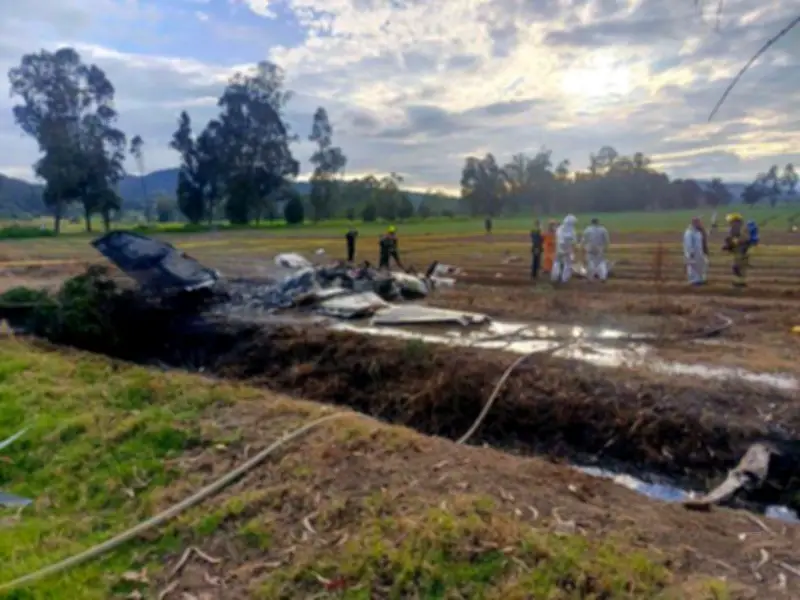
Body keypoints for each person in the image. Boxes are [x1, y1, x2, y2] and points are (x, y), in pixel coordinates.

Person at [722, 213, 752, 287]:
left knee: (739, 268)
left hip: (742, 252)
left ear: (736, 221)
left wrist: (731, 243)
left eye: (731, 222)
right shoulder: (735, 229)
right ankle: (738, 282)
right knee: (737, 268)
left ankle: (740, 283)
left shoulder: (743, 230)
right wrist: (728, 245)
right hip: (737, 252)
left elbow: (743, 240)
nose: (730, 224)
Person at [552, 214, 578, 283]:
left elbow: (559, 239)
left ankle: (555, 277)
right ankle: (564, 279)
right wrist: (571, 249)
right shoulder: (572, 230)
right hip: (566, 249)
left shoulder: (560, 229)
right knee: (567, 264)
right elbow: (574, 241)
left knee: (557, 263)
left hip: (560, 249)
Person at [683, 217, 707, 285]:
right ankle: (693, 281)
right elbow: (688, 243)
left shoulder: (698, 232)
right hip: (693, 254)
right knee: (693, 267)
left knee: (701, 266)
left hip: (699, 253)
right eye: (698, 222)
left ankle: (700, 280)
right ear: (694, 223)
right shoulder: (689, 232)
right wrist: (691, 252)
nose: (700, 224)